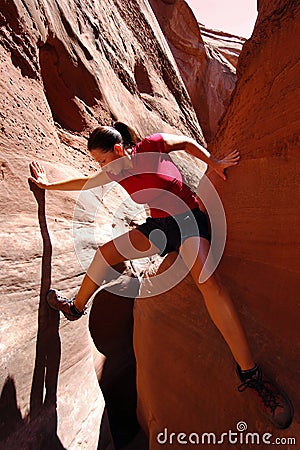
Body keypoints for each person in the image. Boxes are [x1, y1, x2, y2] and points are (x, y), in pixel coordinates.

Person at [30, 122, 293, 429]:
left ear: (118, 150)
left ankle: (252, 377)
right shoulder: (117, 171)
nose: (102, 168)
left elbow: (182, 142)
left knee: (210, 285)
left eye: (102, 160)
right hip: (159, 228)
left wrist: (213, 162)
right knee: (105, 255)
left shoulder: (151, 147)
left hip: (188, 220)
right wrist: (49, 185)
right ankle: (75, 307)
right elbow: (86, 182)